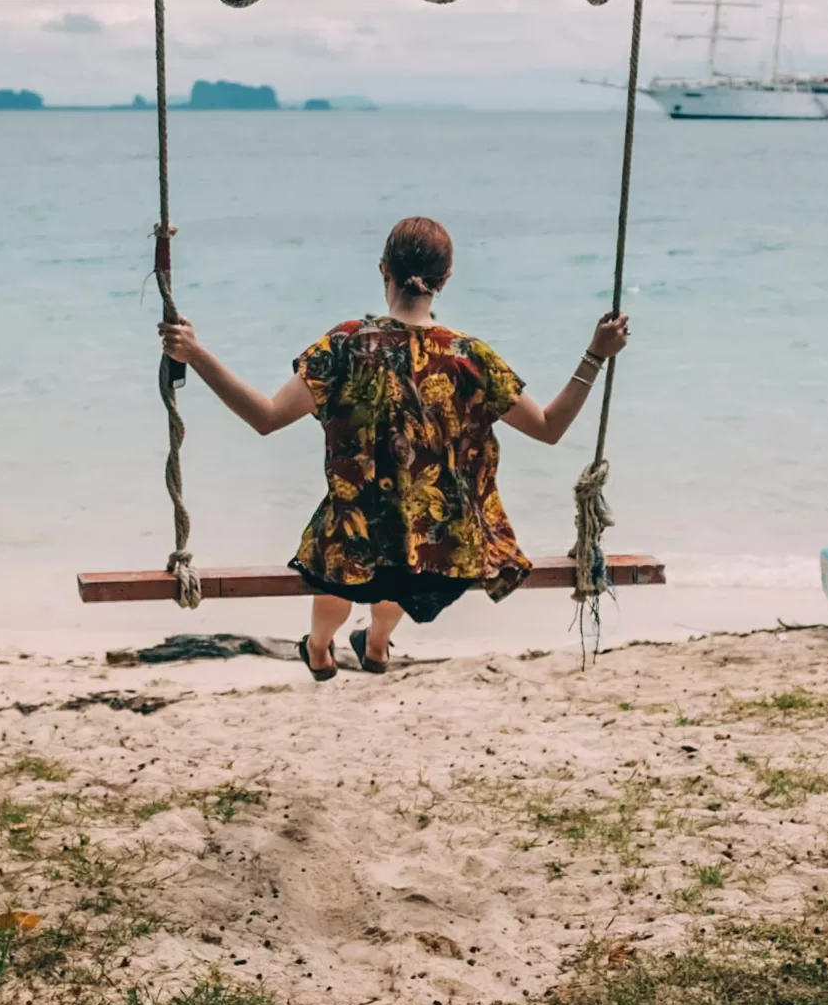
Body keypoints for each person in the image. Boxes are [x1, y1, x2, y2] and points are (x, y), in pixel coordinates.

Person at [159, 215, 630, 680]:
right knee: (403, 543)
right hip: (444, 558)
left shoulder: (345, 346)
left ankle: (319, 649)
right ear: (445, 280)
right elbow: (549, 426)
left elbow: (265, 417)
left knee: (345, 545)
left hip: (357, 550)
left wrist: (196, 354)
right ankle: (378, 643)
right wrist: (595, 355)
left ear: (383, 268)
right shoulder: (470, 357)